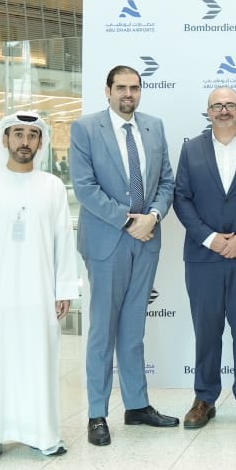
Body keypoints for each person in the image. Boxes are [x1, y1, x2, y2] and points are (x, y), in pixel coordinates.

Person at [0, 111, 80, 466]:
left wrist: (64, 289)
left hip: (39, 295)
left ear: (40, 143)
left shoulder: (52, 187)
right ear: (5, 139)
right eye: (18, 134)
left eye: (32, 135)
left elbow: (63, 240)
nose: (25, 142)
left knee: (39, 363)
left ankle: (44, 436)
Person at [70, 65, 179, 446]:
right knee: (103, 331)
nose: (128, 94)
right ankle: (97, 413)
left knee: (133, 330)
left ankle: (136, 405)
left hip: (146, 239)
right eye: (121, 88)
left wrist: (153, 216)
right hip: (107, 241)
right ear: (108, 91)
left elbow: (166, 182)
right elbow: (85, 187)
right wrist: (128, 220)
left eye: (134, 87)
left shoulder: (154, 127)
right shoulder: (86, 129)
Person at [173, 87, 236, 430]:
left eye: (230, 105)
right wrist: (210, 238)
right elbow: (182, 198)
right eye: (217, 105)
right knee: (206, 330)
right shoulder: (191, 148)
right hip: (203, 256)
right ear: (208, 112)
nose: (224, 110)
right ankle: (204, 398)